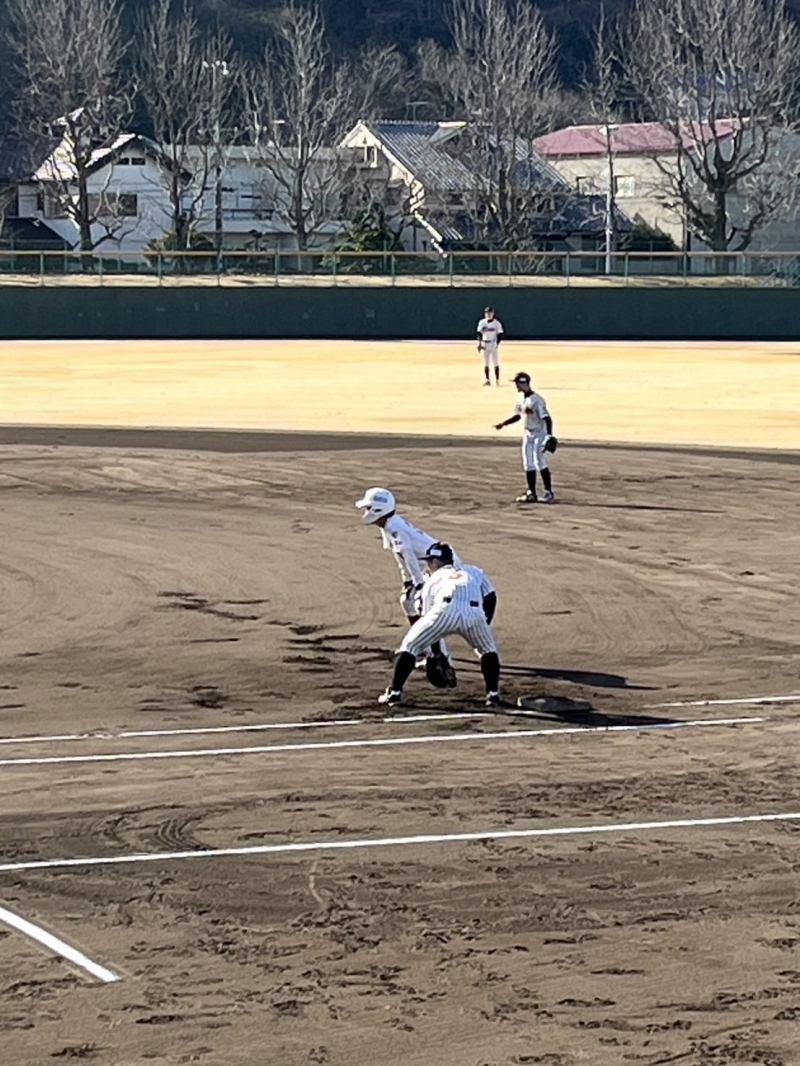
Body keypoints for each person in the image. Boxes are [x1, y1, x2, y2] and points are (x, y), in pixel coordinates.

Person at [378, 543, 502, 708]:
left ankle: (394, 693)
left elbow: (427, 615)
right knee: (488, 650)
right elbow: (491, 596)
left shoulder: (433, 579)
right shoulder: (474, 571)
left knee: (410, 646)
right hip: (474, 613)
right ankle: (493, 695)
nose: (427, 565)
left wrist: (436, 653)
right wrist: (484, 622)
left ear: (436, 561)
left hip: (445, 611)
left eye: (429, 561)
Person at [355, 487, 463, 622]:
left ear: (378, 509)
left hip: (441, 563)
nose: (365, 512)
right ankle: (420, 632)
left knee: (425, 604)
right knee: (407, 601)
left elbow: (408, 556)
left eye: (368, 508)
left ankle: (433, 632)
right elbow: (400, 556)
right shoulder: (389, 525)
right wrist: (407, 580)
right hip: (427, 564)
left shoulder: (394, 527)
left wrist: (418, 583)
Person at [494, 372, 555, 504]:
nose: (516, 386)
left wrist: (549, 435)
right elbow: (518, 415)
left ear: (524, 383)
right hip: (528, 433)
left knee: (539, 461)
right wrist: (504, 424)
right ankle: (531, 493)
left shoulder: (537, 400)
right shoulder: (521, 399)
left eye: (517, 383)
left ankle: (548, 492)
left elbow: (547, 419)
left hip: (539, 433)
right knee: (528, 463)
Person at [476, 306, 504, 387]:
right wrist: (479, 343)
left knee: (495, 362)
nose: (488, 314)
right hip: (485, 343)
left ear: (493, 313)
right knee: (486, 362)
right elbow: (479, 333)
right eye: (487, 313)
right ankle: (487, 380)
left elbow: (500, 334)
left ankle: (497, 380)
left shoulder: (497, 323)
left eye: (490, 313)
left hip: (493, 343)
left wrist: (497, 343)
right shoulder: (482, 322)